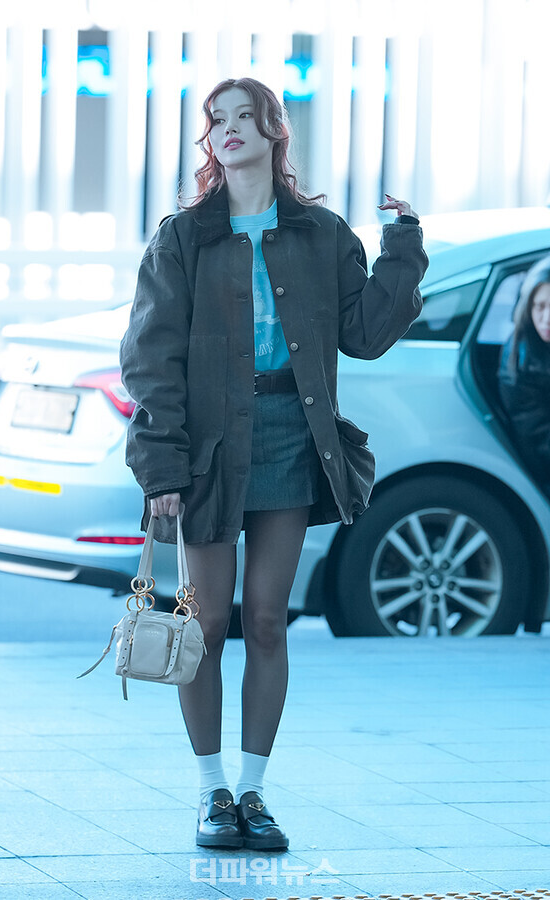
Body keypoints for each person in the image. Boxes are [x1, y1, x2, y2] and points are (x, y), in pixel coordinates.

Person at [119, 76, 428, 851]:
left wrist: (403, 245)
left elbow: (365, 333)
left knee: (265, 618)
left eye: (242, 117)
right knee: (206, 619)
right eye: (215, 121)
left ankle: (254, 793)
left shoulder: (321, 233)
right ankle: (211, 793)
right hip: (210, 447)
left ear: (272, 131)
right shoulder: (182, 237)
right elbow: (150, 359)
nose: (226, 130)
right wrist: (162, 466)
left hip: (292, 433)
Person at [498, 255, 550, 496]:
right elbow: (538, 440)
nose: (547, 319)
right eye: (540, 306)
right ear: (528, 307)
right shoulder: (518, 362)